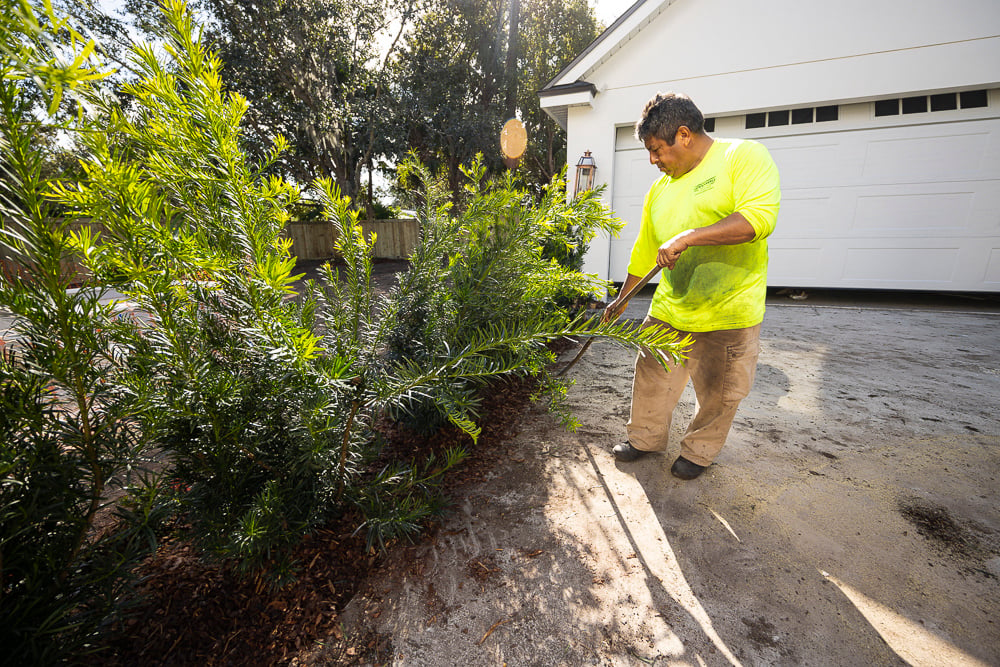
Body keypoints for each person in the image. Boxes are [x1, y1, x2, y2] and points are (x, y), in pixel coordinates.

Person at [603, 92, 780, 480]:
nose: (652, 160)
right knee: (651, 376)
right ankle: (645, 439)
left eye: (655, 150)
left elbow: (757, 219)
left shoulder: (742, 157)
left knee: (721, 392)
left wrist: (688, 237)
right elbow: (646, 251)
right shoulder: (660, 189)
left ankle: (699, 451)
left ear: (683, 135)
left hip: (728, 309)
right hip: (671, 306)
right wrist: (621, 300)